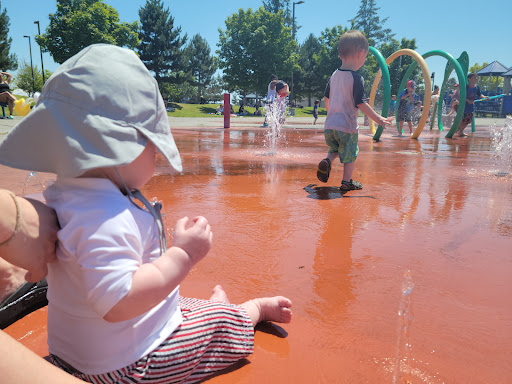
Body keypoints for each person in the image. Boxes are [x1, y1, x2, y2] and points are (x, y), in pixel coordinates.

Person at [0, 44, 292, 383]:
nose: (157, 159)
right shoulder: (104, 215)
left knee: (181, 302)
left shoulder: (71, 194)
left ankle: (213, 309)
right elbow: (120, 301)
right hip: (127, 365)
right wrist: (184, 254)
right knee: (216, 326)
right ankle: (245, 314)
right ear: (120, 146)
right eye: (153, 146)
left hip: (81, 352)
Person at [316, 30, 393, 191]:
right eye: (365, 58)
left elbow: (326, 98)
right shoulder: (356, 78)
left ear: (340, 55)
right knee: (350, 152)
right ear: (361, 53)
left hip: (330, 126)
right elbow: (361, 103)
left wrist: (331, 115)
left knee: (335, 148)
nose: (364, 60)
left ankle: (328, 161)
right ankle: (346, 182)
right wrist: (378, 118)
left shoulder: (334, 75)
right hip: (347, 127)